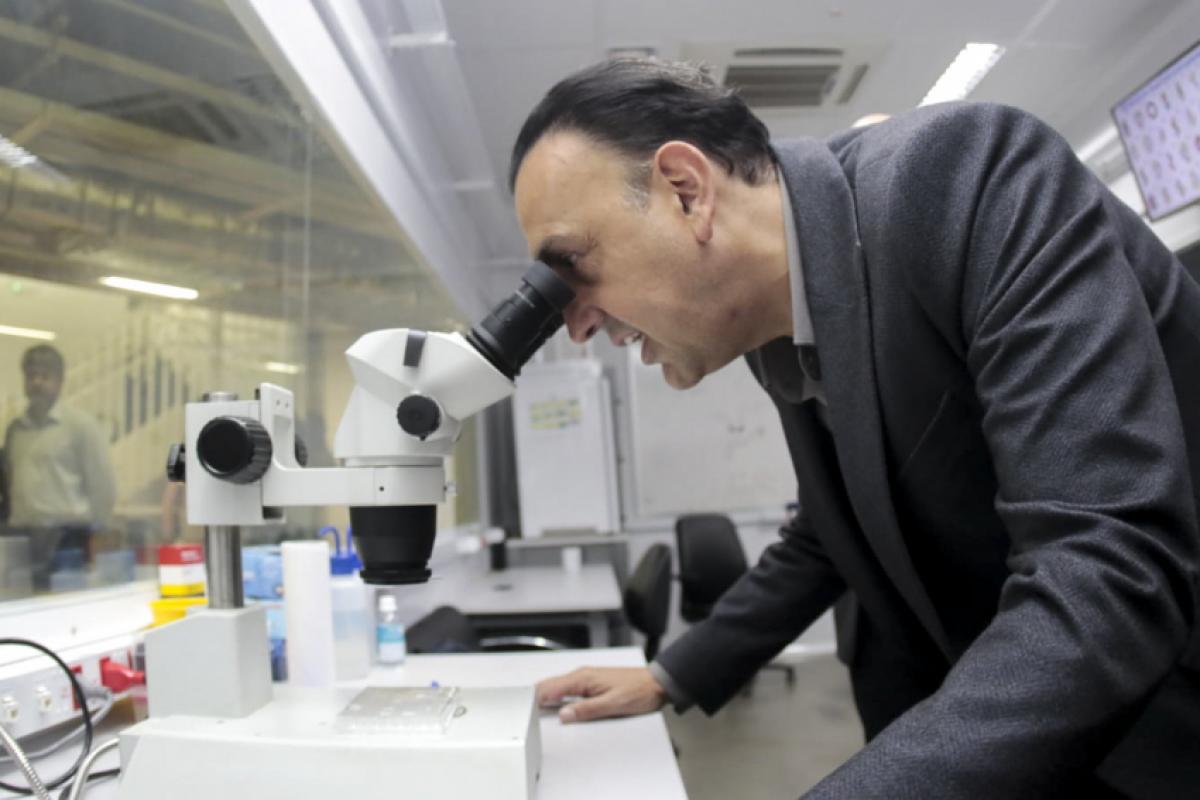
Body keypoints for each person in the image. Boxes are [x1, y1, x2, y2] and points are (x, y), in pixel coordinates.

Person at [514, 59, 1200, 797]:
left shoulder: (965, 177)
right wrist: (670, 675)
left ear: (686, 191)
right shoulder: (776, 323)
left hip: (1151, 730)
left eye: (573, 264)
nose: (575, 325)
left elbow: (1106, 564)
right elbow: (833, 526)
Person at [3, 344, 116, 589]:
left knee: (66, 605)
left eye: (45, 376)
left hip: (68, 539)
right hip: (23, 537)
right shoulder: (15, 430)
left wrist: (98, 535)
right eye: (31, 375)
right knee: (24, 604)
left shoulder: (81, 427)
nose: (37, 382)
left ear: (60, 381)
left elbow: (101, 486)